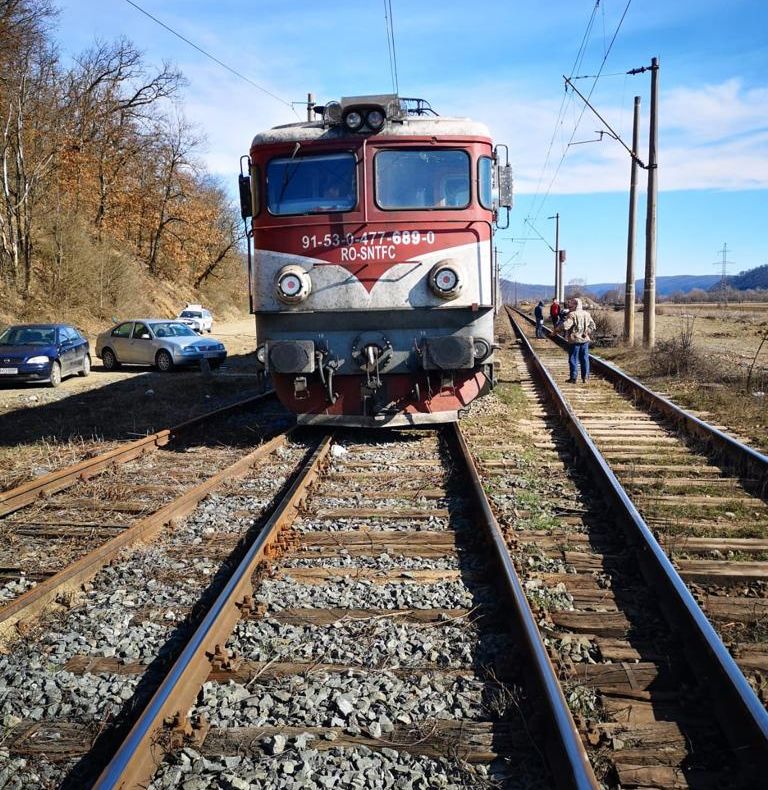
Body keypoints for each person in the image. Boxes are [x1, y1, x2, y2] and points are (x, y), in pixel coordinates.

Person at [561, 298, 596, 383]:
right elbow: (593, 325)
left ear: (576, 305)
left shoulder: (572, 314)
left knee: (573, 359)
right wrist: (587, 332)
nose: (569, 305)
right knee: (584, 359)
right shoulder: (587, 314)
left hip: (574, 340)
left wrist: (557, 329)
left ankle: (573, 378)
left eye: (571, 304)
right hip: (584, 340)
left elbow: (565, 326)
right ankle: (585, 378)